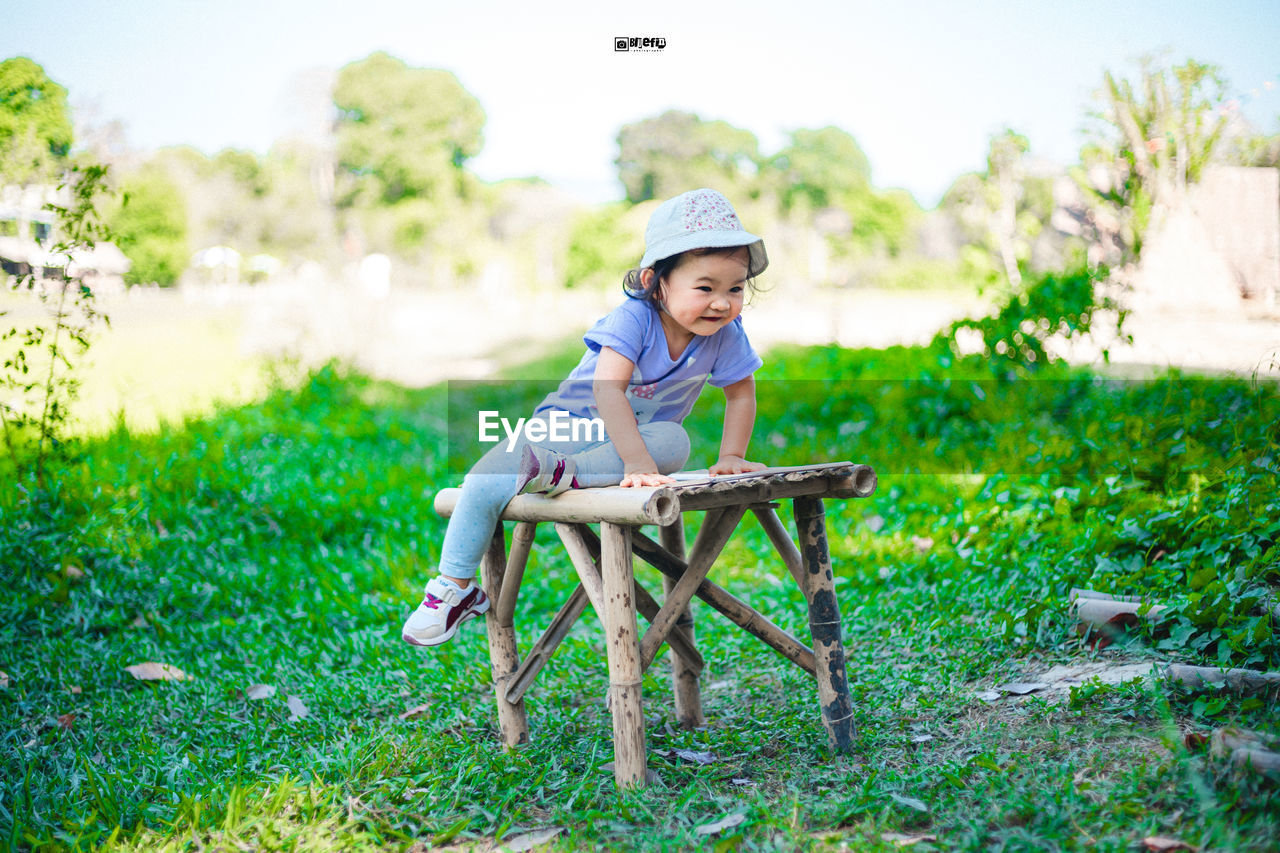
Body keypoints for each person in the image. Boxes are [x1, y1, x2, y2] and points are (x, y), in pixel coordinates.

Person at [402, 188, 769, 647]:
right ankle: (454, 588)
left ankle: (563, 475)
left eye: (735, 288)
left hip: (623, 447)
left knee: (673, 442)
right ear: (657, 282)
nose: (722, 302)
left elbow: (741, 393)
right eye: (705, 287)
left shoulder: (725, 333)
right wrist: (635, 463)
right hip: (565, 428)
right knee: (485, 477)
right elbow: (607, 390)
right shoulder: (634, 318)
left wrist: (732, 455)